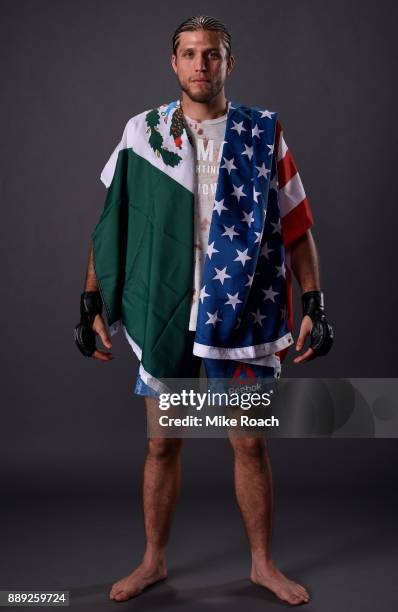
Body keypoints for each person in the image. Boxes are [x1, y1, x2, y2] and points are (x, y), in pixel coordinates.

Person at [74, 15, 333, 606]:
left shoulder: (263, 132)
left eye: (211, 55)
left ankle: (263, 565)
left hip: (239, 310)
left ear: (227, 63)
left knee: (248, 443)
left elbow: (297, 225)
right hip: (166, 308)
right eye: (189, 54)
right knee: (162, 443)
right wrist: (91, 298)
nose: (199, 65)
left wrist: (315, 300)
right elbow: (110, 224)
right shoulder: (144, 134)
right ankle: (152, 561)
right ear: (174, 63)